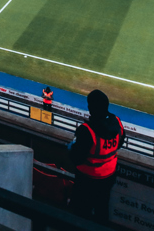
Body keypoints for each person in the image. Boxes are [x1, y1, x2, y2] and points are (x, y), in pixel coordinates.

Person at [68, 90, 123, 223]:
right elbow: (119, 143)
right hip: (108, 178)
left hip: (87, 180)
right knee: (102, 210)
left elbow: (76, 157)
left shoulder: (86, 130)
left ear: (90, 108)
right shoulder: (116, 122)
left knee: (81, 213)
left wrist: (71, 146)